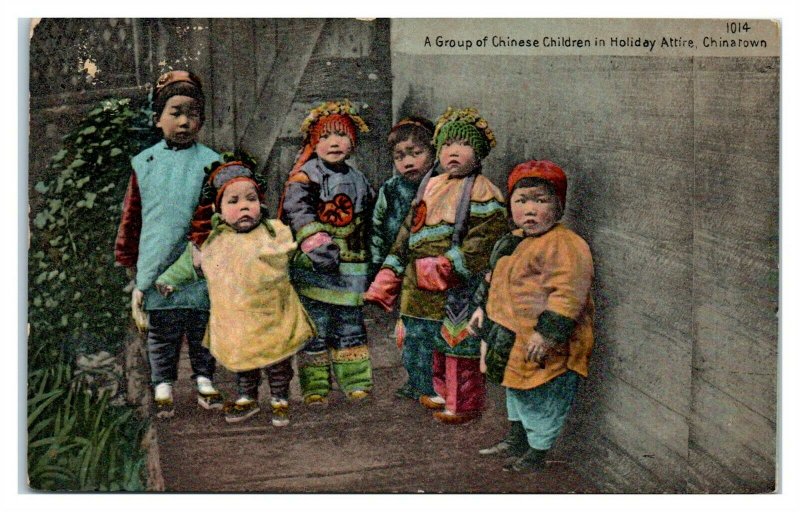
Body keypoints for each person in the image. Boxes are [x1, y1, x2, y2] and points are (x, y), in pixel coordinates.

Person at [366, 107, 506, 424]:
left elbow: (484, 241)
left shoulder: (483, 191)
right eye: (445, 146)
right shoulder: (431, 186)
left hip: (455, 285)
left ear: (479, 152)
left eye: (463, 145)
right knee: (424, 337)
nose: (452, 152)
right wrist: (391, 271)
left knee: (457, 341)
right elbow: (408, 230)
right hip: (419, 282)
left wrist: (448, 266)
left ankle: (464, 403)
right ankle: (438, 391)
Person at [155, 159, 316, 426]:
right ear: (218, 209)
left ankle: (280, 399)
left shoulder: (274, 232)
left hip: (274, 314)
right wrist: (170, 279)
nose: (244, 206)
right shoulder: (215, 240)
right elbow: (190, 262)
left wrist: (314, 257)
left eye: (250, 199)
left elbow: (297, 255)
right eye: (233, 201)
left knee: (278, 362)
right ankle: (247, 398)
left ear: (260, 204)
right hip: (237, 319)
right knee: (244, 360)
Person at [468, 160, 595, 472]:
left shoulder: (566, 244)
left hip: (544, 341)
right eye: (521, 201)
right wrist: (481, 311)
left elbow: (568, 292)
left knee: (543, 397)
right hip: (511, 336)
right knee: (517, 390)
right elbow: (492, 280)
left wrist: (547, 332)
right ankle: (516, 439)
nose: (530, 210)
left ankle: (538, 453)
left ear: (559, 207)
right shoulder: (512, 241)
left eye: (541, 201)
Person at [114, 70, 222, 418]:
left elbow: (223, 212)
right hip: (158, 260)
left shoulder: (212, 162)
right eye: (175, 112)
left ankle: (205, 378)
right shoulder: (145, 163)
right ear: (158, 118)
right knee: (162, 328)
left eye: (192, 113)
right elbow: (133, 214)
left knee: (202, 322)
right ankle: (163, 383)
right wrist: (129, 257)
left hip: (199, 261)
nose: (184, 121)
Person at [278, 100, 375, 406]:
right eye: (324, 137)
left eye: (342, 135)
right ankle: (315, 385)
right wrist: (316, 243)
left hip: (351, 269)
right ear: (313, 142)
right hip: (316, 267)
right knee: (315, 328)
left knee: (350, 326)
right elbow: (298, 211)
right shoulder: (305, 178)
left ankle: (356, 381)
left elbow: (369, 218)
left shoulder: (360, 180)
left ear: (353, 142)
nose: (334, 143)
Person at [369, 117, 438, 400]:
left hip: (432, 270)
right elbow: (377, 226)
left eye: (416, 153)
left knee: (432, 328)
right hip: (400, 268)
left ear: (433, 153)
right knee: (409, 328)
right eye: (400, 156)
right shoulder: (391, 190)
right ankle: (416, 378)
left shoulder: (440, 187)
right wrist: (378, 266)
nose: (408, 162)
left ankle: (436, 382)